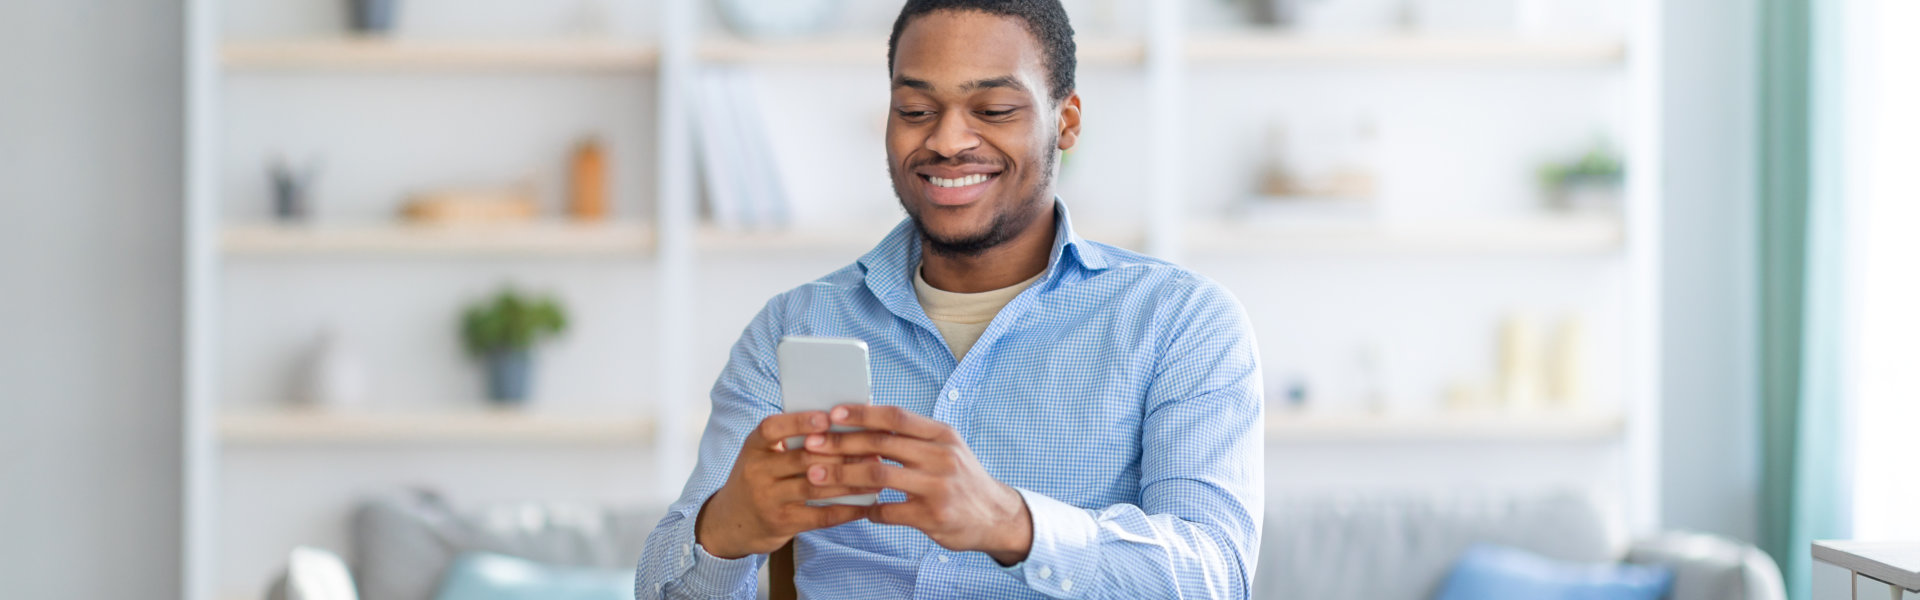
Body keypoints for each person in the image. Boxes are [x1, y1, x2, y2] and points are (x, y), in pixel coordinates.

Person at [635, 1, 1263, 597]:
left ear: (1066, 122)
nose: (946, 140)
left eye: (993, 109)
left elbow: (1215, 577)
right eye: (915, 110)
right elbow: (660, 591)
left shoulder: (1183, 323)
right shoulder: (792, 325)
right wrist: (724, 531)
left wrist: (1011, 523)